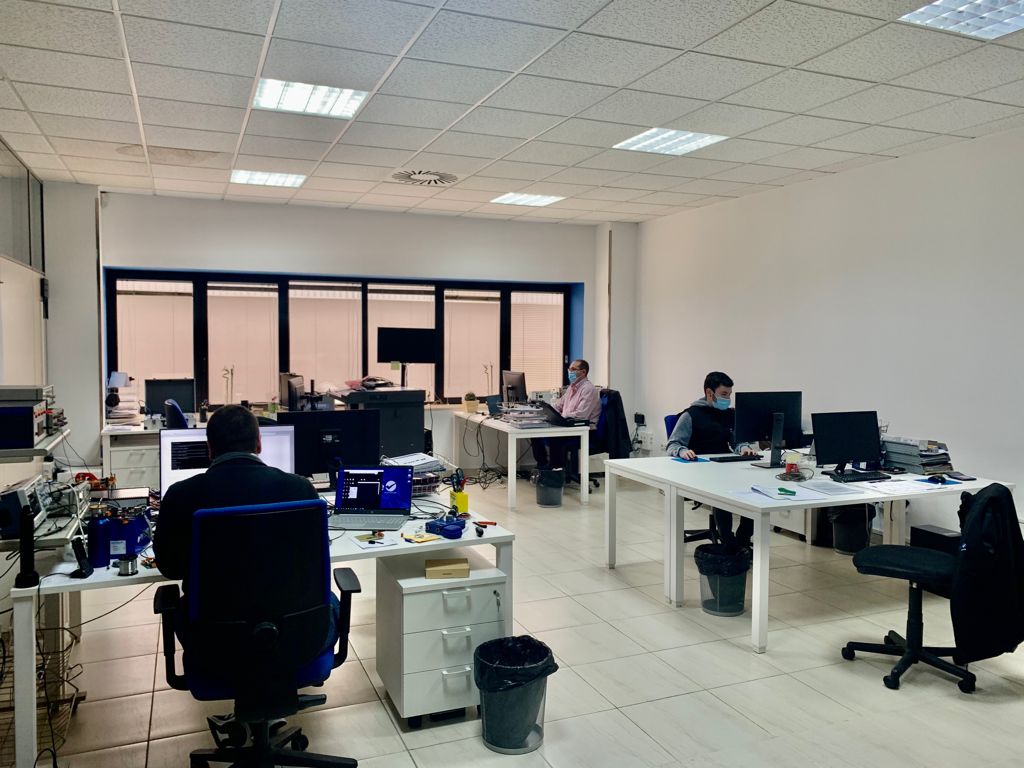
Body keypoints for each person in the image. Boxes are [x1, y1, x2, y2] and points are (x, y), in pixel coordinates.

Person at [154, 405, 337, 647]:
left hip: (212, 642)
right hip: (296, 637)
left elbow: (170, 568)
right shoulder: (300, 488)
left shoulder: (180, 495)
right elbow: (315, 554)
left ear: (210, 449)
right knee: (331, 601)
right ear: (259, 444)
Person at [666, 371, 756, 552]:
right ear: (709, 392)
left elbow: (736, 441)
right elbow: (673, 444)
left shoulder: (729, 414)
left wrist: (743, 447)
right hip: (699, 469)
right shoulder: (691, 415)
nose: (727, 399)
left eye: (729, 395)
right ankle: (729, 544)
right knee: (721, 494)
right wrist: (682, 451)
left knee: (754, 491)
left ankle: (743, 539)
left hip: (724, 466)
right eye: (724, 394)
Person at [531, 359, 601, 471]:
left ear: (583, 372)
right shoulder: (571, 388)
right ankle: (543, 467)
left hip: (583, 429)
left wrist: (561, 416)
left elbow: (581, 415)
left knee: (555, 437)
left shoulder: (589, 389)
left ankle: (556, 472)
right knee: (535, 433)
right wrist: (546, 411)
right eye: (569, 369)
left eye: (573, 369)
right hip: (568, 425)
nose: (570, 372)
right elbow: (558, 405)